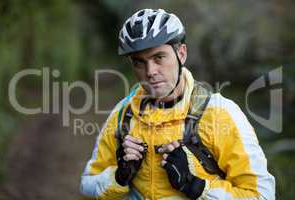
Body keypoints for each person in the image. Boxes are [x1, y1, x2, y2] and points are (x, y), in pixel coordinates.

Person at [80, 8, 275, 199]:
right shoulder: (123, 114)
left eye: (159, 57)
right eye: (139, 62)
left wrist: (196, 186)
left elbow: (262, 195)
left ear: (181, 53)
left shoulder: (219, 113)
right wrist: (119, 177)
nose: (150, 71)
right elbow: (87, 185)